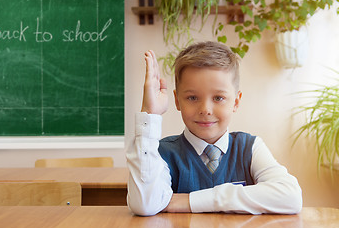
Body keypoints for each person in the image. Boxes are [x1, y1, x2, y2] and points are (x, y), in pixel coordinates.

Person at [126, 41, 302, 216]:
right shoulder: (162, 152)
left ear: (236, 101)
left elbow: (290, 196)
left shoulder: (249, 147)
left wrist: (190, 201)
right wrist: (150, 114)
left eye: (218, 98)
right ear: (177, 100)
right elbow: (145, 205)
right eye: (193, 97)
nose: (206, 110)